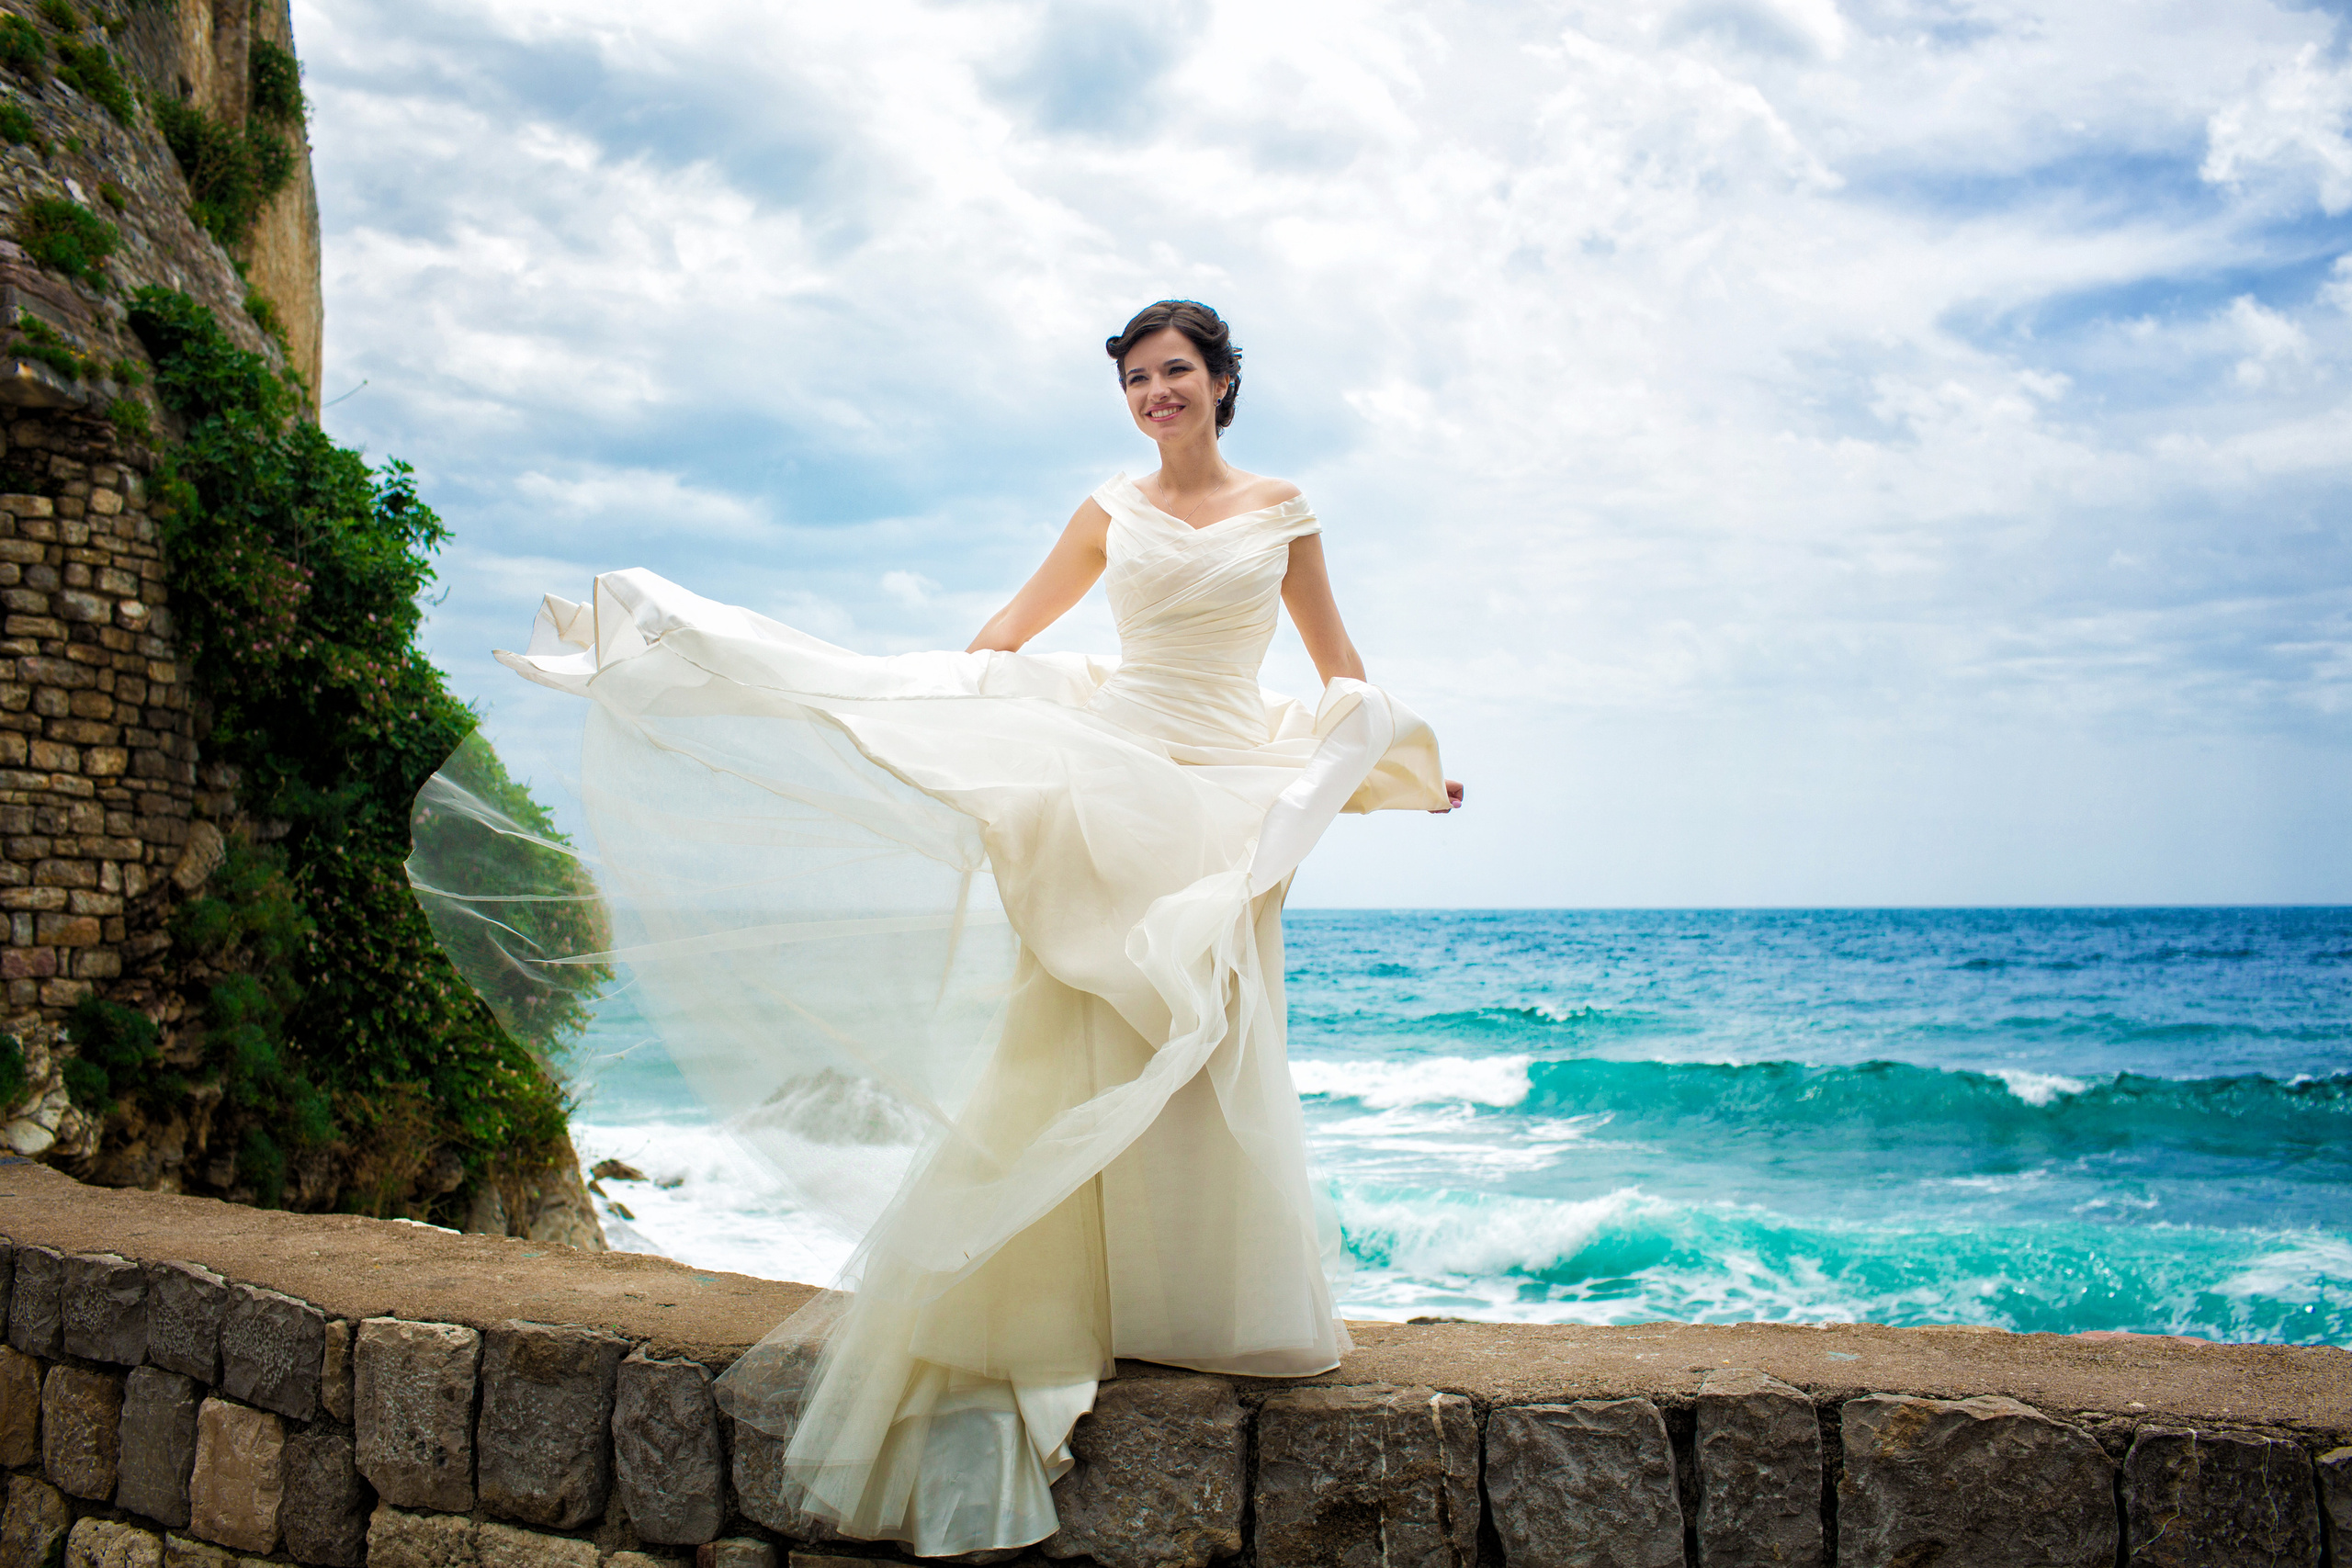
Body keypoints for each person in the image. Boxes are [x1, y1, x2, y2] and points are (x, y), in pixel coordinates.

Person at [408, 299, 1459, 1556]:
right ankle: (1063, 1302)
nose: (1153, 394)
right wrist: (970, 732)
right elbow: (1008, 635)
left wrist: (1396, 762)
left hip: (1226, 798)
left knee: (1213, 1034)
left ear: (1224, 381)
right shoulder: (1106, 511)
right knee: (1073, 1030)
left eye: (1175, 371)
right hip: (1114, 786)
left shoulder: (1284, 511)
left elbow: (1339, 668)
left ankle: (1202, 1304)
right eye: (1134, 378)